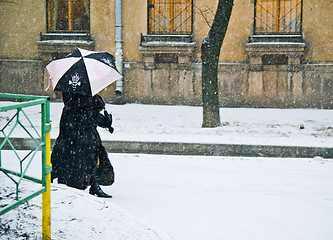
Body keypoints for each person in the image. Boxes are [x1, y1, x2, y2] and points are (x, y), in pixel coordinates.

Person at [51, 92, 114, 198]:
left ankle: (94, 185)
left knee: (87, 161)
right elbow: (89, 116)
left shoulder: (72, 100)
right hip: (82, 139)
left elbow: (90, 116)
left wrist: (105, 122)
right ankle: (92, 186)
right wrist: (104, 121)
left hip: (74, 138)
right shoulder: (83, 100)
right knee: (88, 162)